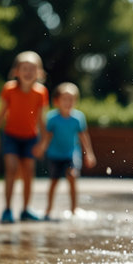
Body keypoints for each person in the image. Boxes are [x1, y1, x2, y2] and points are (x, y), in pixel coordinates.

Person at [0, 51, 49, 223]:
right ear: (16, 71)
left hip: (30, 138)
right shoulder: (9, 89)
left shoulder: (41, 92)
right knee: (11, 169)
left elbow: (42, 120)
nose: (28, 72)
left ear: (39, 72)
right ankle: (7, 209)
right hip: (11, 136)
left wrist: (43, 142)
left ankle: (26, 210)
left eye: (32, 69)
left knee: (28, 173)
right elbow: (2, 114)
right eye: (24, 68)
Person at [35, 82, 96, 220]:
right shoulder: (52, 118)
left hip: (71, 154)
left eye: (71, 99)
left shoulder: (78, 118)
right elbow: (48, 136)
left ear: (76, 101)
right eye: (65, 99)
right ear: (57, 101)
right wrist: (41, 148)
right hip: (55, 155)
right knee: (54, 181)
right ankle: (48, 209)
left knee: (72, 177)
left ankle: (74, 209)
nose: (68, 102)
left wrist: (89, 154)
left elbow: (83, 136)